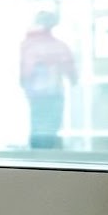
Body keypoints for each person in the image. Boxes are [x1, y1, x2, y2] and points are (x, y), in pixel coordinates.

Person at [19, 11, 77, 149]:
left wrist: (25, 86)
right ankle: (46, 155)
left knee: (37, 125)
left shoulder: (28, 45)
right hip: (54, 93)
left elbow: (24, 73)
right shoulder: (59, 45)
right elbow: (71, 70)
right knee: (51, 127)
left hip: (36, 94)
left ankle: (37, 156)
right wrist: (73, 80)